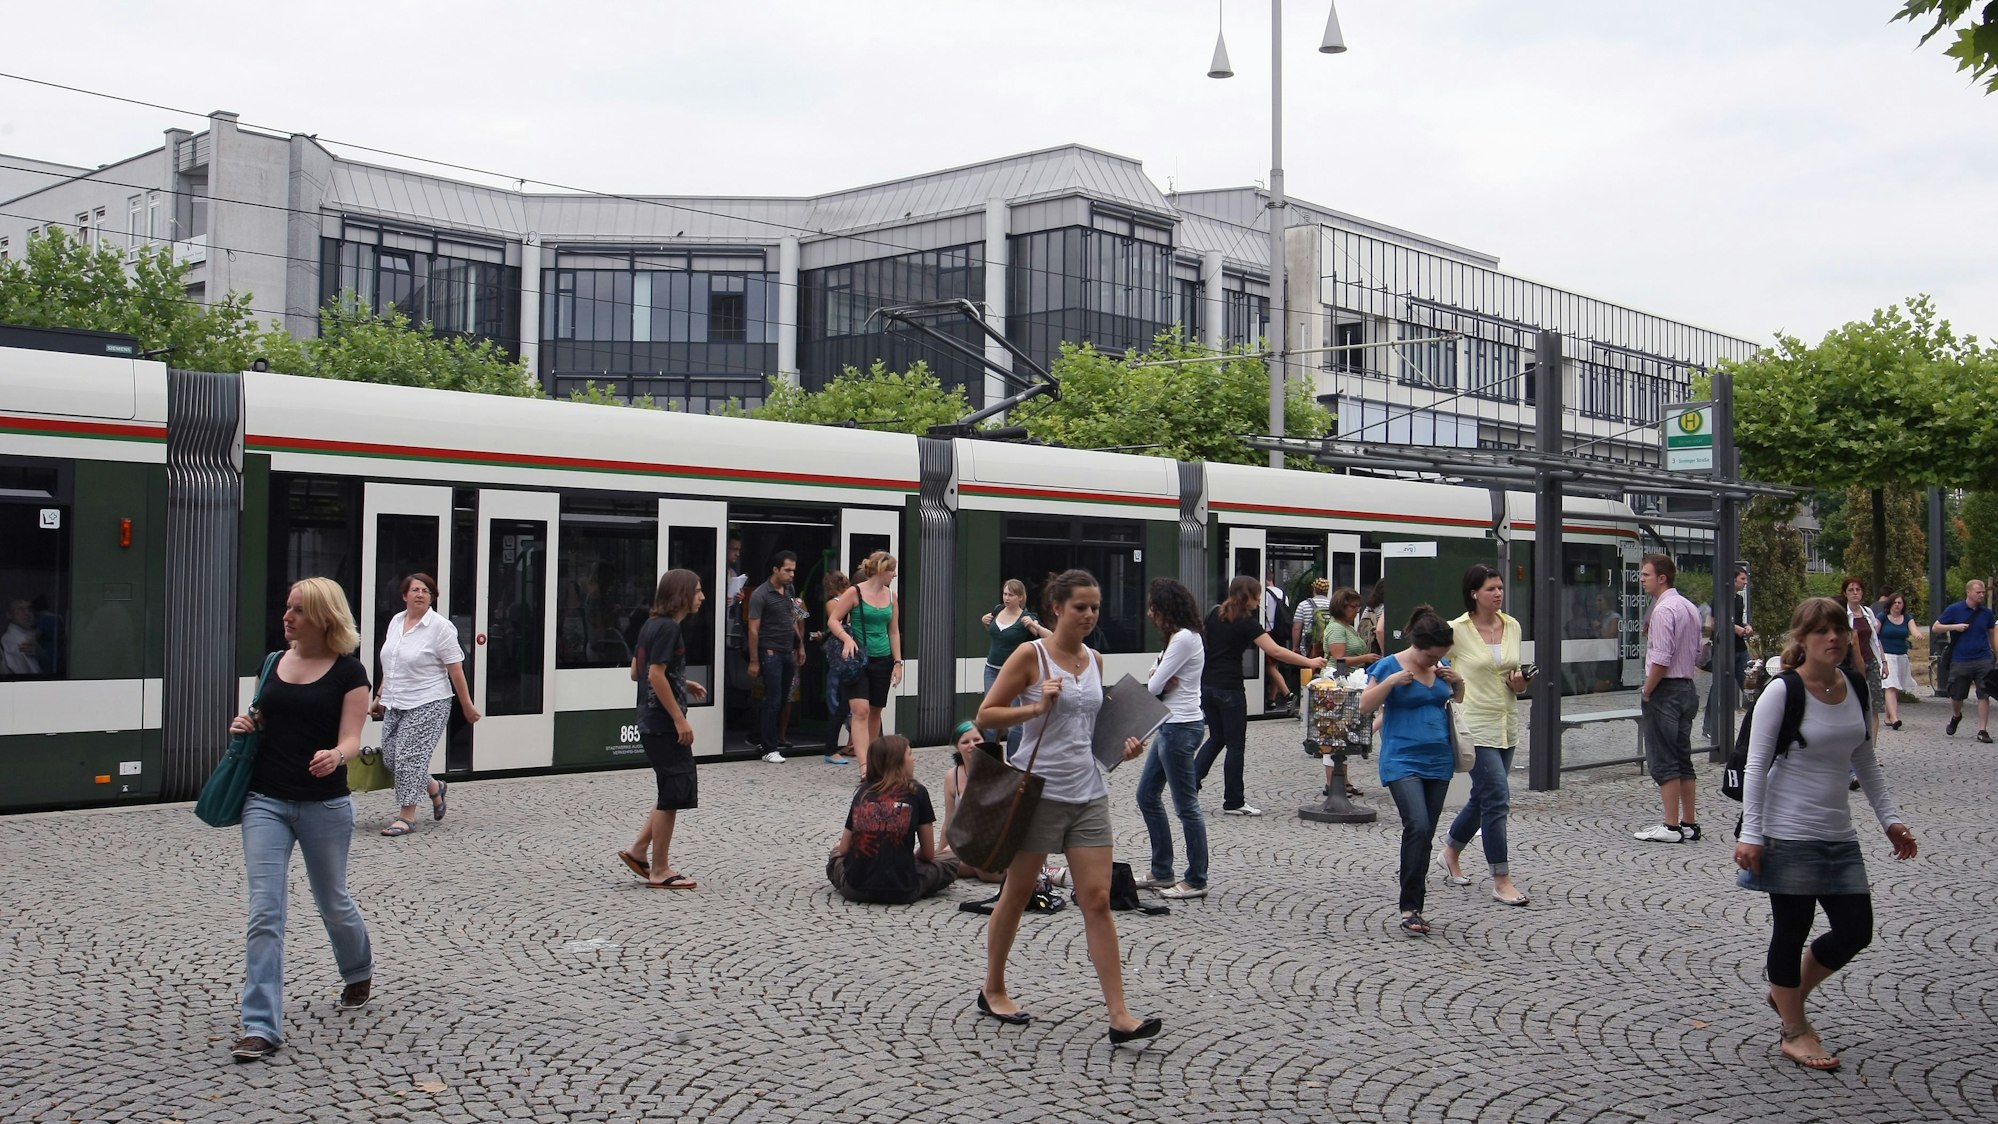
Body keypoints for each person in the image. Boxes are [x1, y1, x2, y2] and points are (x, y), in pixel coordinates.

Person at [973, 568, 1158, 1046]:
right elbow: (986, 716)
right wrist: (1034, 708)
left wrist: (1124, 746)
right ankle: (993, 987)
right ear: (1056, 608)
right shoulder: (1029, 655)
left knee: (1096, 900)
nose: (1090, 615)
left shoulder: (1095, 660)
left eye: (1095, 607)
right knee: (1016, 894)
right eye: (1081, 607)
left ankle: (1120, 1015)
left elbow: (1092, 732)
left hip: (1089, 793)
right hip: (1039, 792)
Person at [1735, 597, 1918, 1073]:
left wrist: (1890, 820)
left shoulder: (1854, 685)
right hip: (1787, 831)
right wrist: (1752, 834)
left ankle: (1786, 992)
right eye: (1821, 631)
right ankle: (1794, 1031)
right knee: (1791, 930)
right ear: (1802, 639)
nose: (1833, 638)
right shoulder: (1783, 691)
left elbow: (1865, 761)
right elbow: (1757, 766)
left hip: (1837, 832)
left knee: (1856, 929)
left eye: (1839, 629)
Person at [226, 577, 373, 1062]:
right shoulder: (273, 663)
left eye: (298, 611)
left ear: (324, 618)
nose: (286, 617)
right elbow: (262, 716)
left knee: (332, 898)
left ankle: (357, 969)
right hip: (264, 800)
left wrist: (336, 754)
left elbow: (352, 738)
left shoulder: (349, 672)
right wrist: (247, 724)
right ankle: (261, 1025)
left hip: (324, 804)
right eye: (287, 608)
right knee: (265, 911)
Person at [1357, 605, 1464, 937]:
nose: (1436, 662)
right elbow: (1363, 705)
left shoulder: (1442, 666)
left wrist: (1458, 682)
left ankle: (1416, 902)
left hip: (1439, 759)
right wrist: (1390, 683)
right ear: (1418, 646)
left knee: (1425, 833)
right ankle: (1409, 906)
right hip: (1402, 759)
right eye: (1432, 656)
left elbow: (1456, 700)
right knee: (1416, 824)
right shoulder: (1389, 666)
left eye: (1441, 657)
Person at [1193, 576, 1325, 816]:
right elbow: (1275, 650)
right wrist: (1309, 661)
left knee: (1216, 738)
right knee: (1235, 745)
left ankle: (1190, 784)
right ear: (1250, 596)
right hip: (1230, 688)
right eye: (1258, 595)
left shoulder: (1214, 613)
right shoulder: (1246, 622)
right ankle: (1233, 801)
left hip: (1208, 685)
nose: (1259, 600)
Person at [1440, 565, 1531, 906]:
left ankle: (1450, 850)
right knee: (1497, 798)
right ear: (1474, 593)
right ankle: (1501, 878)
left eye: (1500, 588)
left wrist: (1520, 682)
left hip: (1505, 720)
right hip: (1474, 723)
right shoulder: (1457, 630)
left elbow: (1511, 672)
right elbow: (1436, 663)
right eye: (1491, 588)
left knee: (1483, 797)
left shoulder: (1513, 626)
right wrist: (1449, 683)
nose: (1498, 593)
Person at [368, 573, 480, 837]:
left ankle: (407, 816)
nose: (420, 594)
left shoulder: (440, 627)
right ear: (404, 595)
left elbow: (455, 669)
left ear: (432, 597)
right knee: (391, 757)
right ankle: (433, 787)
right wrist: (379, 697)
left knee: (409, 758)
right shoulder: (396, 621)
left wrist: (467, 706)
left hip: (429, 700)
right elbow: (392, 663)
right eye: (415, 590)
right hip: (396, 700)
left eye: (426, 591)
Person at [620, 569, 710, 890]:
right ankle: (659, 869)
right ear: (682, 594)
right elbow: (654, 675)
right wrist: (679, 718)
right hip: (662, 724)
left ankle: (638, 850)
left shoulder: (650, 625)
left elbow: (637, 671)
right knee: (673, 793)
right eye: (697, 591)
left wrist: (681, 682)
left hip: (649, 721)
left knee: (671, 792)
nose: (702, 597)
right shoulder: (670, 628)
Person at [1134, 577, 1209, 900]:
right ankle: (1162, 870)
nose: (1151, 613)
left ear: (1167, 608)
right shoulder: (1176, 639)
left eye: (1154, 607)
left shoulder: (1183, 640)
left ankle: (1196, 878)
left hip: (1181, 727)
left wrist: (1158, 677)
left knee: (1186, 805)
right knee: (1146, 795)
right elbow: (1155, 678)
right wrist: (1159, 677)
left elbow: (1152, 686)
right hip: (1170, 725)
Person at [826, 735, 959, 902]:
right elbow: (928, 853)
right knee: (950, 858)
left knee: (836, 851)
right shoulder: (918, 792)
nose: (914, 759)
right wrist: (909, 856)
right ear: (898, 762)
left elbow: (844, 848)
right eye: (910, 754)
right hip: (903, 890)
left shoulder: (863, 792)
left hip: (855, 889)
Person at [1633, 553, 1705, 844]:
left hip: (1666, 689)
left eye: (1646, 574)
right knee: (1683, 756)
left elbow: (1661, 659)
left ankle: (1671, 825)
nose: (1641, 579)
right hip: (1687, 686)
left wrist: (1647, 690)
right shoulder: (1689, 607)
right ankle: (1689, 821)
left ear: (1662, 578)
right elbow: (1698, 652)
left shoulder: (1663, 611)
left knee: (1664, 758)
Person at [828, 551, 903, 773]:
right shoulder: (855, 592)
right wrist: (847, 639)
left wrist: (898, 662)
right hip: (858, 661)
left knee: (875, 712)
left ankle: (874, 762)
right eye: (892, 570)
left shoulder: (892, 596)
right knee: (860, 710)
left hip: (883, 660)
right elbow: (833, 620)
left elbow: (894, 631)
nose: (895, 574)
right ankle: (864, 766)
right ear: (881, 571)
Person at [1318, 586, 1382, 798]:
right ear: (1341, 607)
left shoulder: (1346, 626)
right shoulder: (1337, 628)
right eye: (1353, 606)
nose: (1357, 610)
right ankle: (1333, 782)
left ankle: (1343, 780)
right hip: (1337, 685)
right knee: (1335, 734)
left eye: (1358, 606)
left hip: (1349, 684)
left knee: (1342, 735)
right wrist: (1365, 658)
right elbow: (1339, 659)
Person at [746, 550, 805, 763]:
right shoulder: (760, 594)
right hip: (769, 652)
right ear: (775, 570)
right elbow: (753, 629)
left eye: (793, 570)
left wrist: (800, 646)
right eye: (787, 570)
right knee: (773, 698)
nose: (791, 574)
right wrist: (754, 660)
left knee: (779, 699)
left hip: (787, 651)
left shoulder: (789, 589)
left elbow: (793, 619)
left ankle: (759, 737)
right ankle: (769, 747)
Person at [979, 579, 1050, 751]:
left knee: (1016, 723)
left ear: (1020, 597)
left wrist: (1034, 626)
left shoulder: (1026, 617)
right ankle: (990, 757)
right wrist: (984, 622)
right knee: (990, 717)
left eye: (1011, 595)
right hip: (991, 670)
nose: (1006, 598)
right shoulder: (998, 610)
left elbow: (1050, 638)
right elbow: (998, 636)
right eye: (1005, 594)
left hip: (1013, 674)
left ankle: (1013, 759)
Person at [1934, 578, 1997, 741]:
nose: (1981, 595)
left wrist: (1996, 654)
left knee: (1984, 693)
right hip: (1961, 659)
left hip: (1983, 658)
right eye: (1978, 592)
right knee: (1957, 695)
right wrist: (1955, 627)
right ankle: (1956, 716)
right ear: (1968, 592)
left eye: (1983, 592)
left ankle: (1982, 730)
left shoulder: (1987, 613)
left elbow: (1992, 634)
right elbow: (1936, 627)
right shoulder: (1955, 609)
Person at [941, 720, 1004, 882]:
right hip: (965, 844)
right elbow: (949, 821)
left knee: (984, 870)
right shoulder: (952, 776)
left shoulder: (1000, 769)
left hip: (994, 842)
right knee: (942, 859)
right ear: (957, 746)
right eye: (965, 742)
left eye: (977, 740)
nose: (972, 746)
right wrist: (938, 855)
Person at [1840, 576, 1886, 741]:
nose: (1855, 593)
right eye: (1851, 590)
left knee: (1874, 706)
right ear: (1845, 593)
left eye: (1858, 590)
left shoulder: (1868, 612)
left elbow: (1875, 639)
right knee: (1852, 704)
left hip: (1871, 661)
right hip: (1851, 664)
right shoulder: (1843, 614)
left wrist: (1884, 662)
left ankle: (1872, 748)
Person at [820, 570, 856, 764]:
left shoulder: (833, 603)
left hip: (840, 655)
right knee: (848, 700)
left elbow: (836, 624)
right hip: (853, 655)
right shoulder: (854, 599)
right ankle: (853, 743)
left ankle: (846, 743)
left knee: (836, 698)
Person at [1876, 590, 1923, 729]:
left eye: (1900, 603)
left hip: (1901, 655)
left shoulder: (1907, 618)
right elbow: (1875, 634)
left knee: (1895, 687)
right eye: (1895, 602)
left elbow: (1913, 629)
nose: (1897, 605)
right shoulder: (1882, 616)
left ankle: (1888, 717)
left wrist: (1918, 635)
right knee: (1890, 685)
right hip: (1886, 655)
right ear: (1890, 603)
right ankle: (1896, 718)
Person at [1263, 570, 1296, 714]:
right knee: (1274, 665)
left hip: (1267, 632)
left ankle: (1288, 695)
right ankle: (1271, 700)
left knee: (1269, 667)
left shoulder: (1264, 593)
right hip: (1280, 633)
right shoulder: (1282, 593)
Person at [1293, 577, 1331, 659]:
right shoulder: (1333, 605)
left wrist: (1295, 647)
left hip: (1309, 647)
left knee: (1308, 670)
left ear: (1314, 589)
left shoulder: (1303, 605)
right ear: (1327, 591)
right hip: (1328, 646)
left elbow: (1297, 628)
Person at [3, 598, 42, 675]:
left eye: (29, 608)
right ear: (9, 615)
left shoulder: (30, 636)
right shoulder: (12, 641)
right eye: (20, 609)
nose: (27, 613)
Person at [1356, 581, 1387, 656]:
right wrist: (1384, 653)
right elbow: (1380, 630)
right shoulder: (1384, 608)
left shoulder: (1369, 607)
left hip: (1367, 648)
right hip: (1378, 649)